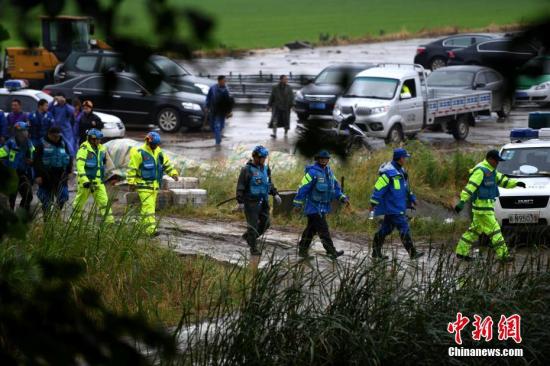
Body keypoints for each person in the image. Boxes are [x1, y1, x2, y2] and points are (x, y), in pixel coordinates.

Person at [454, 150, 526, 262]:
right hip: (482, 209)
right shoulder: (481, 170)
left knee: (474, 231)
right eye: (496, 161)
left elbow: (502, 180)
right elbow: (471, 186)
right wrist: (462, 201)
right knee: (495, 230)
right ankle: (503, 255)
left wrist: (516, 183)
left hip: (484, 208)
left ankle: (461, 252)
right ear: (490, 159)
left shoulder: (492, 171)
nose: (498, 163)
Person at [369, 148, 424, 260]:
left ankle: (375, 252)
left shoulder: (401, 171)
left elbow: (406, 188)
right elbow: (378, 188)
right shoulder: (388, 173)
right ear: (400, 159)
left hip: (398, 206)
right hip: (393, 207)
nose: (406, 160)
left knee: (386, 229)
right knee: (404, 228)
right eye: (405, 158)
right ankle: (412, 253)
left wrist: (412, 198)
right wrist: (373, 202)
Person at [293, 150, 348, 259]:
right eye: (321, 159)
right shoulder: (312, 173)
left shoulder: (329, 172)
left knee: (310, 230)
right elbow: (303, 188)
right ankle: (331, 251)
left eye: (326, 159)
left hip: (323, 208)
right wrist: (297, 204)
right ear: (317, 159)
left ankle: (302, 251)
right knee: (323, 230)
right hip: (313, 208)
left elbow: (335, 188)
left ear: (328, 160)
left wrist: (342, 197)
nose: (323, 161)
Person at [127, 131, 179, 236]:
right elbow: (132, 168)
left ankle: (142, 227)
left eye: (156, 145)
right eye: (153, 144)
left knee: (147, 208)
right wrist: (131, 182)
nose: (155, 147)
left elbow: (166, 165)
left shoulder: (159, 152)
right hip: (143, 186)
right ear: (147, 141)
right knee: (149, 208)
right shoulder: (139, 152)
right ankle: (150, 231)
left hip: (154, 186)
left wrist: (173, 174)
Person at [236, 145, 282, 255]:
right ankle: (253, 248)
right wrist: (240, 202)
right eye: (262, 158)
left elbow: (268, 184)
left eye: (265, 158)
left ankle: (249, 237)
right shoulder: (247, 170)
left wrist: (275, 194)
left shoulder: (266, 169)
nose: (263, 160)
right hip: (251, 203)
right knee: (253, 226)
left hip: (264, 202)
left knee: (266, 223)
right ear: (255, 157)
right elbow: (240, 186)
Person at [73, 129, 114, 224]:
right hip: (86, 183)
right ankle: (74, 223)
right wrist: (84, 180)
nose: (100, 141)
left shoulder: (102, 148)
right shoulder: (84, 149)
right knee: (79, 204)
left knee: (104, 203)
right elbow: (80, 166)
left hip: (98, 182)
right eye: (98, 139)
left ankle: (110, 222)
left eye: (100, 139)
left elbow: (106, 163)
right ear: (92, 139)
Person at [34, 126, 73, 216]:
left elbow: (69, 157)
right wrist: (38, 175)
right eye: (54, 136)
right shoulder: (41, 143)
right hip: (45, 175)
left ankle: (57, 213)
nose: (56, 138)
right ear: (49, 135)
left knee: (63, 196)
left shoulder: (63, 143)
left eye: (58, 136)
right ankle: (47, 221)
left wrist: (69, 171)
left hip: (61, 175)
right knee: (46, 200)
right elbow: (36, 161)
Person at [0, 122, 34, 214]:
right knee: (11, 199)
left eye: (27, 131)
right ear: (18, 132)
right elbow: (1, 153)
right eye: (24, 131)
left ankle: (21, 214)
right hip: (11, 175)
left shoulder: (29, 143)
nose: (26, 133)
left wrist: (31, 161)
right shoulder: (11, 143)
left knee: (28, 195)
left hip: (23, 174)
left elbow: (34, 156)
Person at [205, 75, 233, 146]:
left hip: (221, 111)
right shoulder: (213, 88)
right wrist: (206, 106)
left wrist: (229, 111)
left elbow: (228, 102)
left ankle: (217, 142)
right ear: (219, 81)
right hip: (213, 110)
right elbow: (208, 97)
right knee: (212, 126)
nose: (225, 82)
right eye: (224, 81)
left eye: (225, 81)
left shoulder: (226, 90)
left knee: (219, 126)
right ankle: (218, 137)